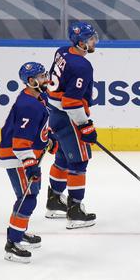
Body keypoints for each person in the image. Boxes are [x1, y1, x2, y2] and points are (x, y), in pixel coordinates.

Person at [0, 62, 55, 262]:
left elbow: (37, 129)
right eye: (41, 77)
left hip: (25, 154)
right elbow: (20, 142)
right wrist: (30, 164)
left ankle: (19, 231)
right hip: (17, 157)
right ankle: (12, 244)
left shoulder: (38, 98)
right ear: (31, 81)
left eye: (44, 74)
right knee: (27, 197)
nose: (45, 79)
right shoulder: (28, 105)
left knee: (27, 195)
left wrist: (48, 138)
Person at [44, 21, 98, 228]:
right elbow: (71, 102)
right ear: (81, 43)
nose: (94, 41)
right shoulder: (82, 66)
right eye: (90, 39)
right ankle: (75, 211)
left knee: (63, 157)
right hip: (68, 116)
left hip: (55, 114)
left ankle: (54, 201)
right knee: (78, 163)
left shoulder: (62, 51)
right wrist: (85, 125)